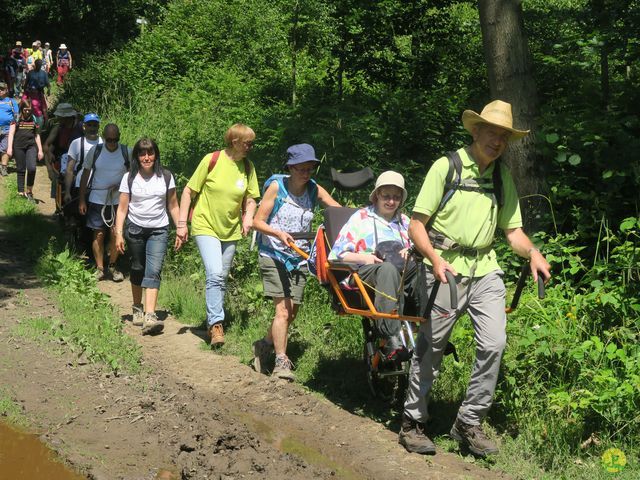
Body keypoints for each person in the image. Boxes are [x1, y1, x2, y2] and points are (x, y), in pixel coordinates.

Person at [398, 100, 551, 457]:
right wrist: (434, 258)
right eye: (492, 133)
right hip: (445, 268)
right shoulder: (446, 166)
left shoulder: (501, 176)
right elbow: (417, 223)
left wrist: (534, 253)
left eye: (504, 137)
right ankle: (412, 422)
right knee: (431, 345)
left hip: (486, 269)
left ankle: (468, 422)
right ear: (476, 131)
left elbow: (513, 232)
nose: (497, 142)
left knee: (494, 343)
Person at [251, 143, 340, 380]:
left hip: (300, 257)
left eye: (310, 168)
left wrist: (361, 219)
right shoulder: (276, 188)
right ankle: (281, 362)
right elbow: (256, 222)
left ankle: (264, 345)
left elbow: (337, 210)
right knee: (282, 311)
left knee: (292, 314)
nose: (306, 172)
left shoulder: (313, 189)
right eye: (301, 168)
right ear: (290, 167)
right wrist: (278, 233)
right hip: (274, 254)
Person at [175, 123, 259, 348]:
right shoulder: (211, 160)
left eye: (252, 143)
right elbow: (188, 192)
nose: (251, 147)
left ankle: (213, 319)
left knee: (221, 277)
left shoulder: (248, 167)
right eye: (247, 143)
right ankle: (216, 325)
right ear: (235, 142)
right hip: (205, 225)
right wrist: (182, 224)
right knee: (214, 273)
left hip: (230, 230)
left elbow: (251, 198)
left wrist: (249, 217)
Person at [328, 170, 416, 360]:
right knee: (387, 269)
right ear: (377, 195)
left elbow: (419, 249)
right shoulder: (361, 218)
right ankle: (390, 336)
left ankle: (429, 329)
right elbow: (336, 254)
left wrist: (411, 252)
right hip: (366, 274)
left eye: (396, 197)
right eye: (386, 196)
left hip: (401, 274)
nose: (391, 201)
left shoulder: (405, 222)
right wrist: (365, 258)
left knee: (423, 268)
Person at [115, 138, 180, 335]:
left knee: (153, 270)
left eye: (150, 153)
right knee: (137, 267)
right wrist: (119, 233)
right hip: (135, 229)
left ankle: (150, 315)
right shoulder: (128, 178)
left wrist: (181, 228)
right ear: (136, 156)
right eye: (142, 154)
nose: (146, 157)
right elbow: (122, 209)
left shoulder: (166, 177)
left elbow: (173, 205)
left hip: (159, 229)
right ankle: (137, 307)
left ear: (156, 155)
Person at [78, 123, 130, 282]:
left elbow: (133, 175)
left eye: (115, 139)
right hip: (97, 199)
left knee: (116, 233)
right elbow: (85, 175)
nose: (112, 143)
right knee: (98, 234)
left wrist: (123, 188)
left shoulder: (126, 152)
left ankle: (113, 265)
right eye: (109, 140)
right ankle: (100, 267)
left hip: (118, 201)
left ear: (119, 137)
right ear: (104, 137)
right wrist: (81, 199)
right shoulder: (96, 151)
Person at [44, 103, 83, 205]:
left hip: (79, 158)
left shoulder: (80, 127)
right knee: (59, 182)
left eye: (60, 116)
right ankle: (59, 207)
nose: (58, 118)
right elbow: (46, 145)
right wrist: (49, 154)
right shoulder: (58, 128)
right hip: (62, 158)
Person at [6, 99, 43, 200]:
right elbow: (11, 134)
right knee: (21, 169)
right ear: (21, 108)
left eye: (29, 110)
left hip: (31, 146)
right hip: (18, 146)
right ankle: (21, 192)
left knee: (32, 168)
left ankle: (29, 191)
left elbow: (37, 135)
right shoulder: (16, 118)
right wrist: (9, 148)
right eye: (25, 109)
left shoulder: (34, 119)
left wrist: (40, 150)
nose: (27, 112)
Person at [64, 113, 102, 204]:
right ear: (84, 126)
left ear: (98, 127)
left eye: (95, 125)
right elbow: (69, 170)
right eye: (89, 125)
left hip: (99, 187)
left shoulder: (103, 143)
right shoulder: (76, 143)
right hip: (79, 185)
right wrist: (67, 192)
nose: (92, 128)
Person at [23, 59, 50, 127]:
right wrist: (25, 91)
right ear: (35, 64)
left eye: (40, 64)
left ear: (41, 65)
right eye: (37, 64)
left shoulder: (44, 73)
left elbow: (48, 84)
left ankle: (46, 123)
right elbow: (26, 83)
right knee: (25, 104)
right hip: (30, 92)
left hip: (40, 92)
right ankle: (23, 120)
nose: (39, 65)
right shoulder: (30, 73)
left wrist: (48, 90)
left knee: (44, 108)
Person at [0, 81, 18, 177]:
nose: (0, 91)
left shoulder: (11, 101)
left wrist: (14, 125)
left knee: (5, 148)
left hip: (7, 129)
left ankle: (4, 167)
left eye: (2, 89)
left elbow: (16, 115)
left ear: (6, 90)